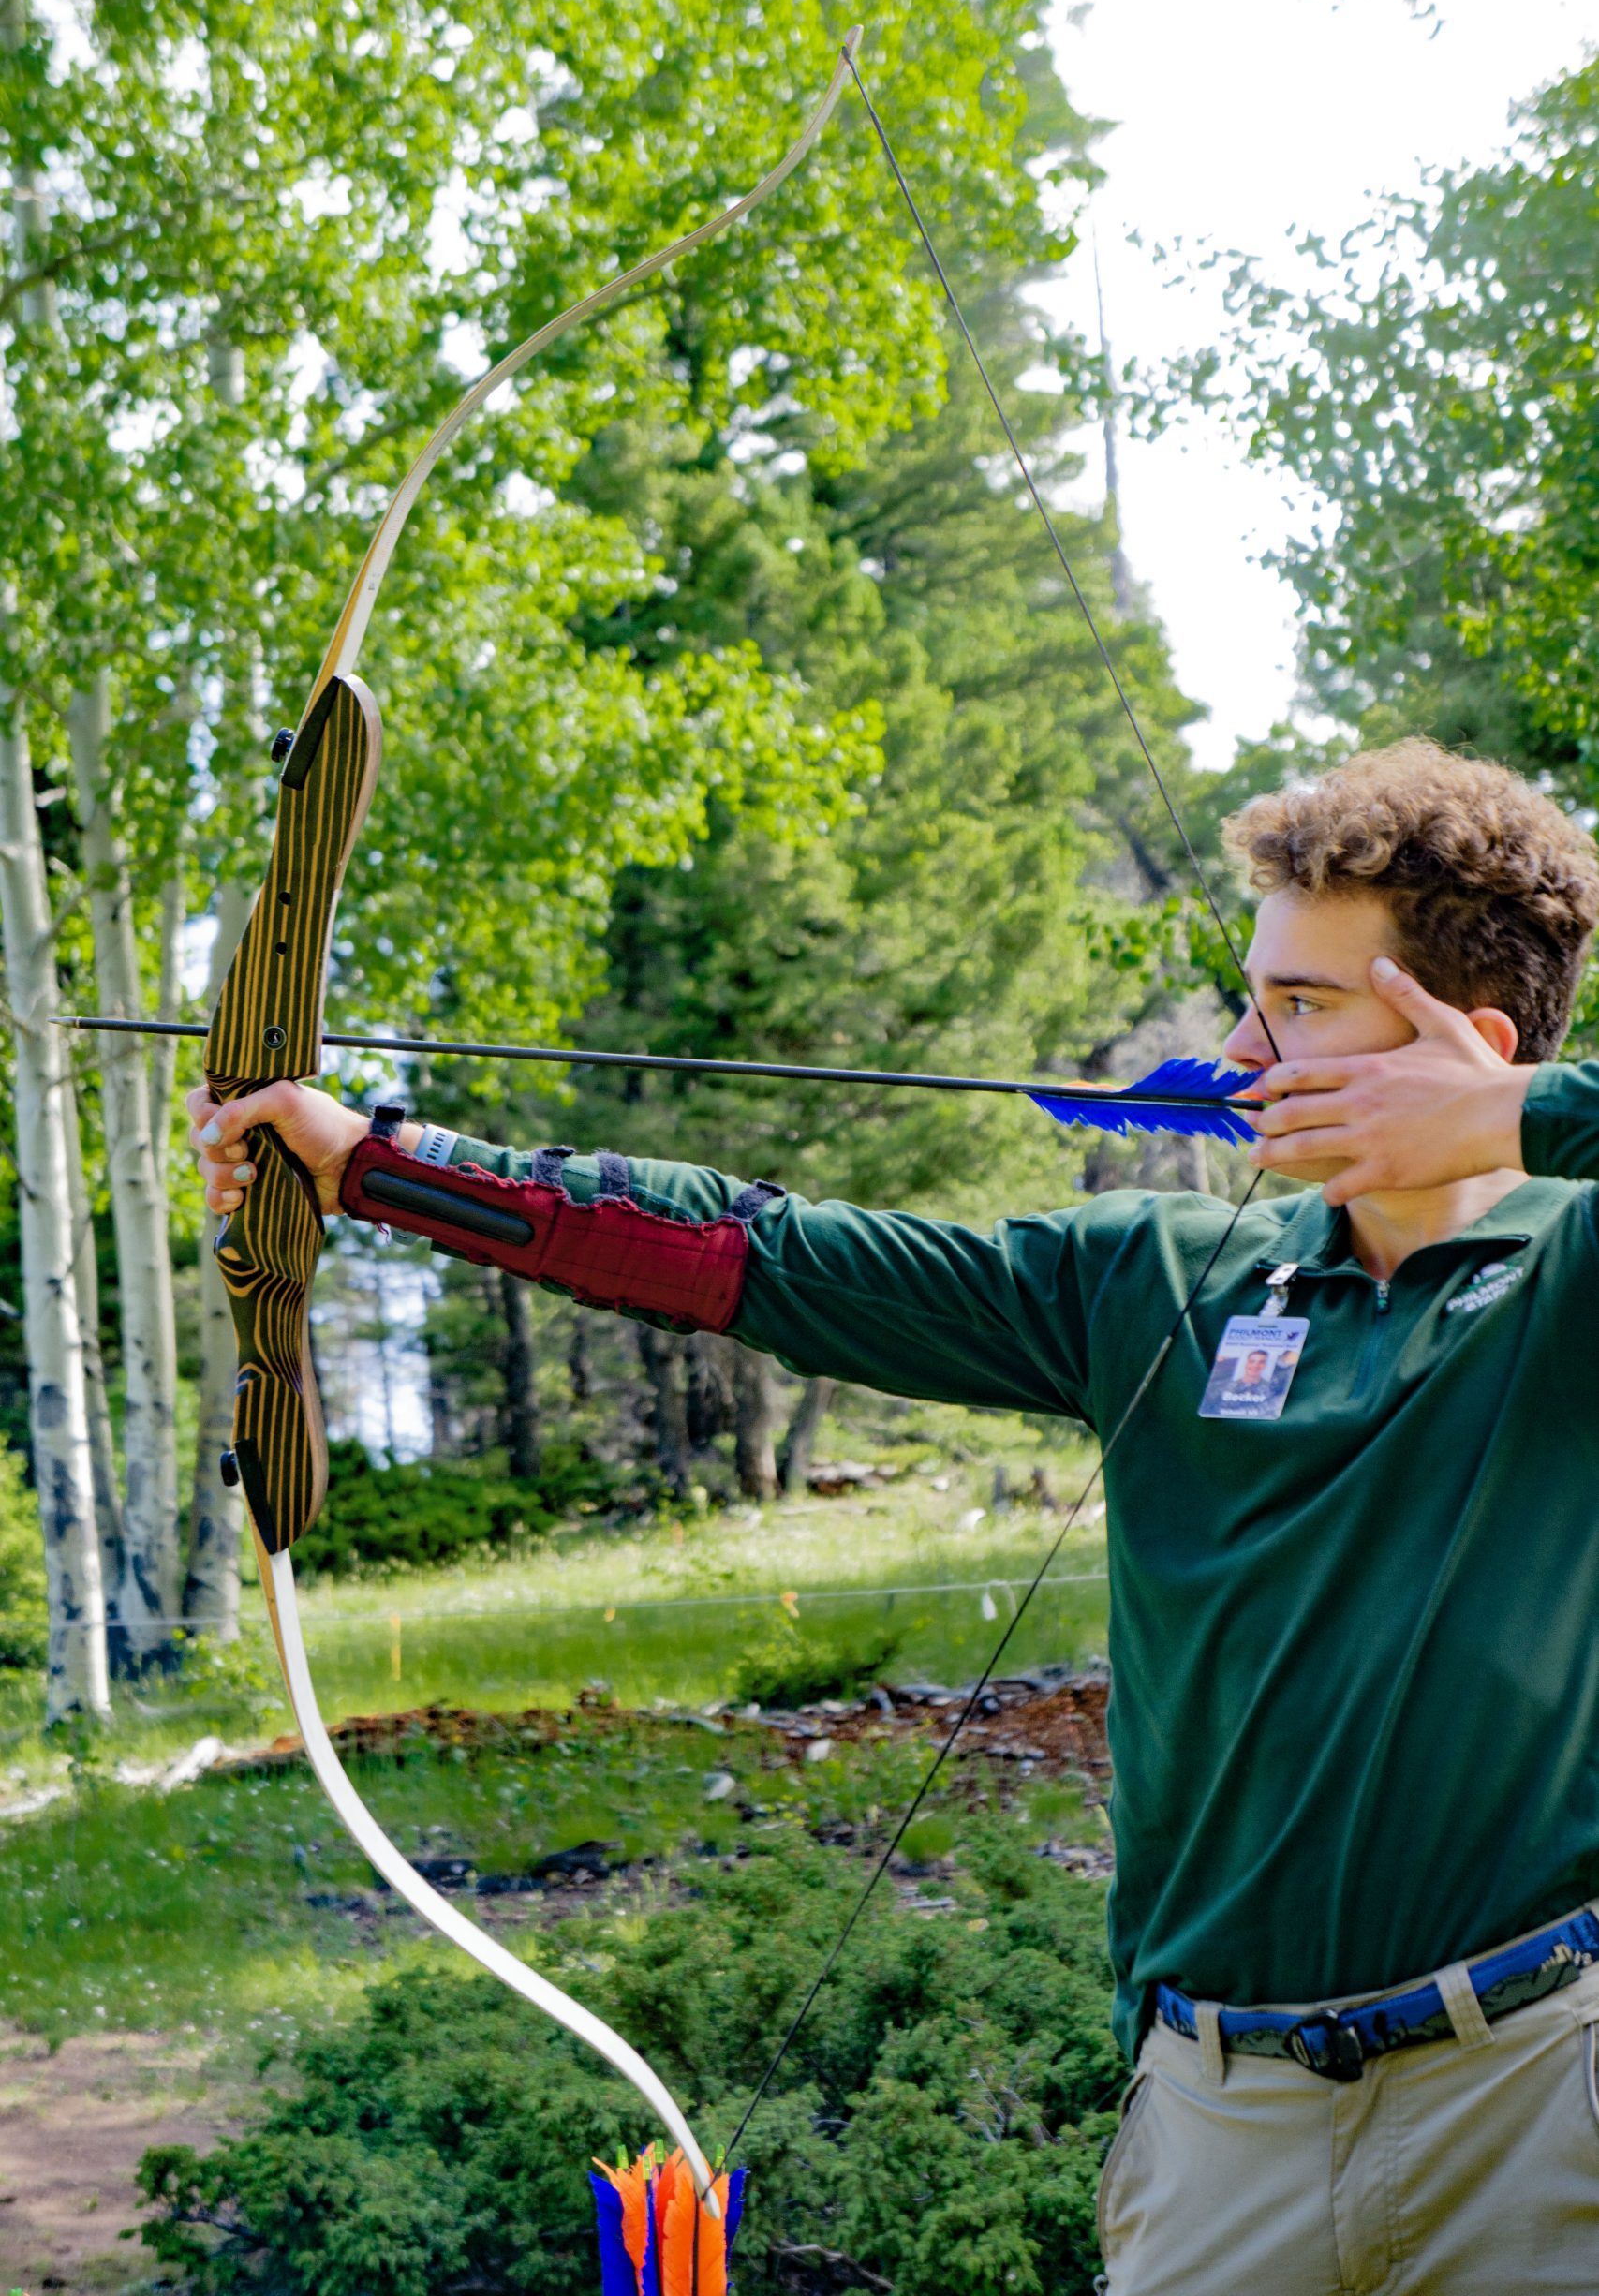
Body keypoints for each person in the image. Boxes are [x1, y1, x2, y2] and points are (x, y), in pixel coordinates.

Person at [190, 739, 1599, 2293]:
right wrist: (384, 1166)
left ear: (1461, 1041)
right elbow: (773, 1258)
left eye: (1302, 1007)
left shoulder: (1576, 1273)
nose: (1242, 1048)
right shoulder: (1158, 1279)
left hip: (1531, 2093)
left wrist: (1519, 1121)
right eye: (1252, 994)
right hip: (1226, 2121)